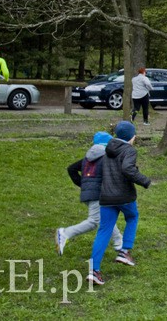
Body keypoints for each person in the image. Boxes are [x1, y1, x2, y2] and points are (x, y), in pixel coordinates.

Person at [88, 121, 151, 286]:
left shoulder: (107, 148)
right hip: (123, 195)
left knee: (104, 231)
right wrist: (144, 180)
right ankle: (124, 251)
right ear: (131, 137)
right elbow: (127, 169)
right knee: (132, 217)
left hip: (106, 196)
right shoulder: (129, 150)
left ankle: (94, 270)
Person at [56, 132, 123, 256]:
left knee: (106, 218)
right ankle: (65, 233)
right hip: (97, 195)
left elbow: (71, 169)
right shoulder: (106, 158)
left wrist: (84, 185)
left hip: (89, 194)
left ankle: (119, 242)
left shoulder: (88, 158)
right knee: (94, 222)